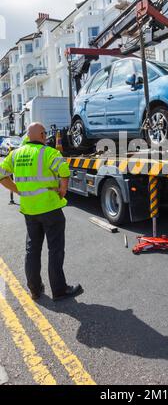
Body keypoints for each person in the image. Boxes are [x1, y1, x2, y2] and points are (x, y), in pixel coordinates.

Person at [0, 122, 83, 302]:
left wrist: (18, 190)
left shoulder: (15, 154)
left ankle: (35, 289)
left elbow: (1, 174)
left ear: (28, 137)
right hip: (51, 208)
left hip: (29, 209)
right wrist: (63, 190)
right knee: (55, 250)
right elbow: (64, 171)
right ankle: (59, 290)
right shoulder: (50, 153)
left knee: (32, 249)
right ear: (44, 135)